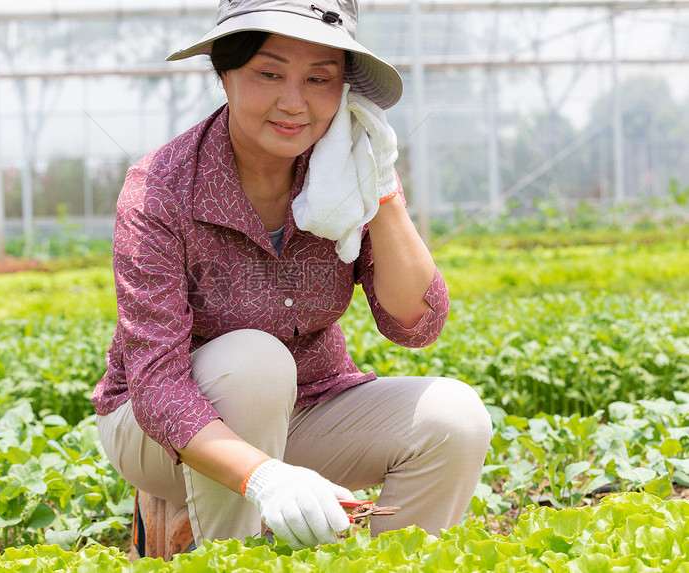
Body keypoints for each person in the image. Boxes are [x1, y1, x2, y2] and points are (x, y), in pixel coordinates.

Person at [92, 0, 492, 552]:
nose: (294, 102)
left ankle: (398, 567)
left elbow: (414, 322)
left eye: (319, 79)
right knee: (255, 362)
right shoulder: (160, 187)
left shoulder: (347, 169)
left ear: (346, 90)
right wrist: (264, 477)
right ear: (225, 73)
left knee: (456, 420)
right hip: (166, 432)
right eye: (269, 73)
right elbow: (158, 386)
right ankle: (225, 557)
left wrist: (380, 188)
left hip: (309, 408)